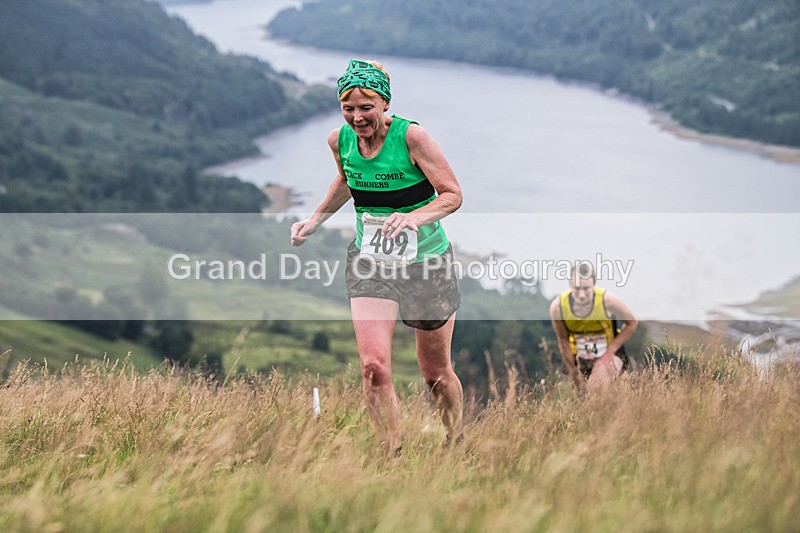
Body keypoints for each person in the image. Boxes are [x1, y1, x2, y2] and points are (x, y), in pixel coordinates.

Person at [290, 59, 464, 453]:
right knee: (373, 368)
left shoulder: (412, 138)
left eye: (366, 107)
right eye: (348, 109)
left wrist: (413, 219)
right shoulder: (340, 140)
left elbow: (452, 194)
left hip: (426, 263)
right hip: (371, 262)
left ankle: (456, 441)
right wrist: (314, 220)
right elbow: (347, 180)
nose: (357, 117)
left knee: (435, 373)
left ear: (385, 102)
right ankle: (392, 454)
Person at [549, 261, 638, 392]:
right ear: (570, 285)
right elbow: (563, 340)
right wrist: (573, 369)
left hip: (610, 353)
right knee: (583, 400)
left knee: (594, 389)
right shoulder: (558, 308)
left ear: (594, 285)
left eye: (586, 289)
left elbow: (632, 323)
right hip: (579, 357)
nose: (582, 294)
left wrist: (610, 352)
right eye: (577, 289)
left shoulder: (608, 301)